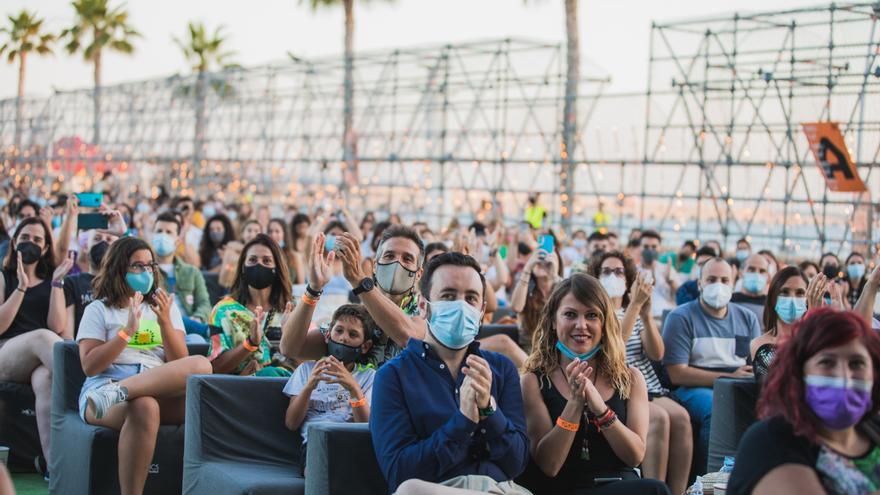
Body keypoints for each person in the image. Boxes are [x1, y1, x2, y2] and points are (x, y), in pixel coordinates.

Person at [370, 252, 530, 494]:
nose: (460, 305)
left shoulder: (501, 369)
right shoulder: (393, 376)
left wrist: (489, 410)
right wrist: (463, 422)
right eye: (448, 296)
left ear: (481, 311)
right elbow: (398, 472)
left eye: (471, 298)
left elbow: (517, 463)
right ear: (424, 305)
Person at [76, 236, 212, 495]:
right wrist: (126, 333)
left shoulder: (163, 308)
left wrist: (164, 323)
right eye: (137, 266)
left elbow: (180, 362)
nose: (145, 271)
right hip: (103, 388)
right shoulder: (99, 309)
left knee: (201, 364)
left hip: (156, 385)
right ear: (120, 269)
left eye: (149, 265)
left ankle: (123, 391)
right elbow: (90, 366)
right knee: (145, 406)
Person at [518, 273, 669, 495]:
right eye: (570, 314)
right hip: (562, 488)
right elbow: (549, 465)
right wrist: (575, 403)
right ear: (552, 321)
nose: (581, 325)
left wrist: (601, 410)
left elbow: (635, 455)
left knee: (655, 490)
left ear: (604, 322)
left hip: (619, 485)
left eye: (592, 315)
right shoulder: (533, 381)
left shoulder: (631, 379)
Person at [728, 308, 880, 495]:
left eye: (856, 363)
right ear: (799, 373)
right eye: (827, 363)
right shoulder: (772, 441)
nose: (845, 377)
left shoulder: (872, 429)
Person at [590, 252, 691, 495]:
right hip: (620, 384)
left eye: (618, 271)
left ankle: (677, 491)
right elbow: (614, 351)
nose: (612, 276)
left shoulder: (633, 310)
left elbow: (657, 353)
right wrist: (636, 305)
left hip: (648, 382)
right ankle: (653, 488)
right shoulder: (596, 313)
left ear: (628, 278)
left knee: (681, 417)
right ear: (596, 276)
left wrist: (645, 314)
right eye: (606, 271)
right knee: (659, 419)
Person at [662, 257, 761, 472]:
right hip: (694, 389)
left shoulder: (747, 318)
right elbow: (676, 373)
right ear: (700, 284)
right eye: (712, 279)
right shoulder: (681, 317)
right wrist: (726, 378)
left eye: (725, 280)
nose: (719, 285)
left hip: (739, 385)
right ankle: (709, 476)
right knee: (716, 408)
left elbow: (754, 365)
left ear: (734, 284)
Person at [0, 217, 73, 479]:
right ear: (15, 243)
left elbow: (57, 325)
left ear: (44, 249)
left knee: (46, 381)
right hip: (7, 353)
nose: (31, 243)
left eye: (37, 240)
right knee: (42, 337)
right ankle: (82, 386)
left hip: (40, 361)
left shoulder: (50, 280)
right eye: (25, 238)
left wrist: (56, 283)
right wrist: (20, 286)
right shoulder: (3, 276)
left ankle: (54, 467)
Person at [283, 304, 376, 471]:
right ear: (328, 335)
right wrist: (309, 387)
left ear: (365, 346)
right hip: (315, 446)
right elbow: (291, 423)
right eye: (338, 331)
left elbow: (366, 426)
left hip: (353, 445)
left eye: (353, 334)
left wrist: (353, 388)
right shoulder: (306, 370)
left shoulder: (369, 377)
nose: (343, 338)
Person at [208, 234, 293, 376]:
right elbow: (215, 367)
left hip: (283, 389)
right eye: (252, 260)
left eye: (267, 261)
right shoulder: (223, 310)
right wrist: (250, 344)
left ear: (277, 268)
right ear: (243, 267)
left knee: (270, 373)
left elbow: (305, 365)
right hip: (239, 389)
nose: (259, 265)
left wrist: (291, 339)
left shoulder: (291, 309)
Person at [151, 213, 213, 341]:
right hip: (157, 327)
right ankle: (206, 330)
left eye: (169, 232)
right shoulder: (146, 271)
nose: (163, 236)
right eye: (159, 231)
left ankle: (198, 328)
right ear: (153, 236)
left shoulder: (192, 272)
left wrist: (198, 317)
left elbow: (204, 303)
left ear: (178, 241)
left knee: (197, 341)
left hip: (188, 331)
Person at [749, 267, 809, 379]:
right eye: (785, 292)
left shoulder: (811, 339)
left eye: (800, 293)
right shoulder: (758, 344)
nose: (792, 299)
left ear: (807, 299)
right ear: (773, 297)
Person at [62, 229, 120, 336]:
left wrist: (121, 231)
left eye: (109, 239)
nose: (103, 243)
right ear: (85, 247)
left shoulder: (122, 283)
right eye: (97, 238)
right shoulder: (72, 282)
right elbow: (67, 335)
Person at [510, 245, 562, 353]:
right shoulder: (525, 286)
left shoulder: (562, 287)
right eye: (539, 257)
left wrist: (554, 276)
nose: (543, 261)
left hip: (557, 350)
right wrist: (527, 268)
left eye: (548, 258)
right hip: (530, 351)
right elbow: (516, 307)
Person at [637, 230, 677, 318]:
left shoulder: (667, 269)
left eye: (654, 246)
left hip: (666, 317)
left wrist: (670, 281)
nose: (650, 250)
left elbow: (679, 296)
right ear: (640, 247)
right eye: (646, 246)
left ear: (660, 248)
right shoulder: (635, 271)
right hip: (642, 319)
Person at [731, 254, 770, 330]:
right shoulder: (730, 300)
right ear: (741, 272)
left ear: (768, 276)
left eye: (762, 271)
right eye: (751, 270)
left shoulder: (772, 305)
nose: (756, 274)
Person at [268, 217, 305, 284]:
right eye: (270, 231)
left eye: (277, 231)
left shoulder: (295, 256)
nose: (273, 235)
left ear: (284, 233)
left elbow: (301, 285)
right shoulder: (264, 255)